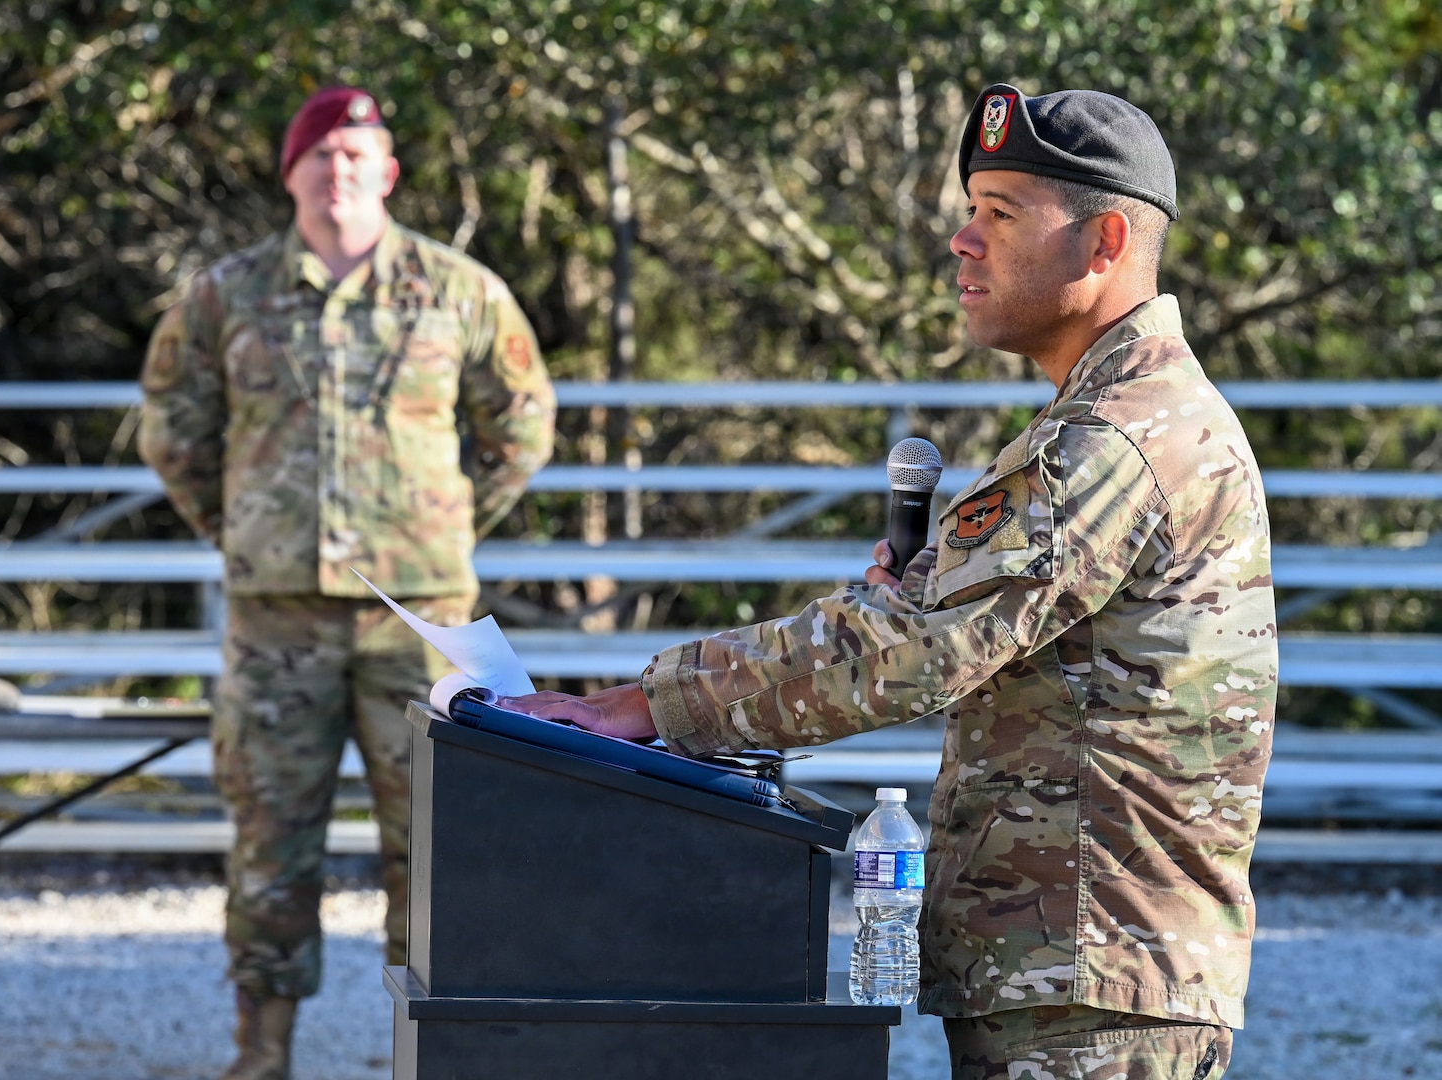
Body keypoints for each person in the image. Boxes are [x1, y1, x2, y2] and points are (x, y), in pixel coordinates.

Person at [514, 83, 1274, 1080]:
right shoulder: (1116, 419)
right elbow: (945, 638)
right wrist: (913, 599)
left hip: (1091, 986)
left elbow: (911, 657)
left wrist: (650, 706)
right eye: (970, 212)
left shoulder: (1113, 441)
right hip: (1081, 973)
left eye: (1000, 215)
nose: (964, 242)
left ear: (1104, 244)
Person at [139, 86, 555, 1080]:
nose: (340, 171)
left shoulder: (457, 290)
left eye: (359, 154)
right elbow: (172, 427)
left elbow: (522, 421)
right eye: (320, 156)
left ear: (390, 172)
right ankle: (262, 1057)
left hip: (417, 621)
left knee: (436, 847)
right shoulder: (225, 295)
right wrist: (243, 530)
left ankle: (434, 1057)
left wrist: (441, 528)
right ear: (290, 175)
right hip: (276, 622)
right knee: (271, 846)